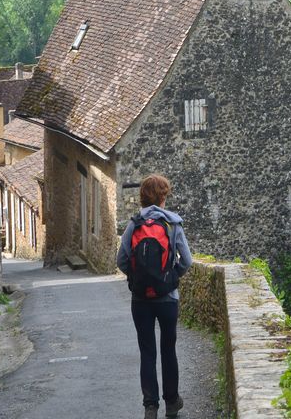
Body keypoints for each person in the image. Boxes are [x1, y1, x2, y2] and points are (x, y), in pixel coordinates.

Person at [117, 174, 193, 419]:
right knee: (168, 349)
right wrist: (170, 278)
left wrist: (137, 278)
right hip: (168, 297)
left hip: (141, 300)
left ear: (142, 197)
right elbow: (187, 261)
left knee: (147, 351)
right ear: (163, 196)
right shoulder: (172, 224)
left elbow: (122, 261)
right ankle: (172, 402)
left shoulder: (134, 224)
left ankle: (150, 406)